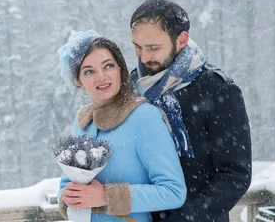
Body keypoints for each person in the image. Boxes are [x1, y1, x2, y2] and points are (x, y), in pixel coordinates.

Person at [129, 0, 253, 222]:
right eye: (137, 47)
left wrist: (185, 217)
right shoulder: (132, 85)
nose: (144, 57)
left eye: (153, 48)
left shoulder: (218, 90)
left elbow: (235, 175)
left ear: (181, 40)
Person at [56, 30, 187, 222]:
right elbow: (68, 181)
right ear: (79, 82)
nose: (101, 77)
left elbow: (173, 191)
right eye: (89, 71)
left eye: (108, 66)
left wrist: (106, 196)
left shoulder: (143, 117)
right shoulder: (83, 121)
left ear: (120, 70)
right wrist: (66, 198)